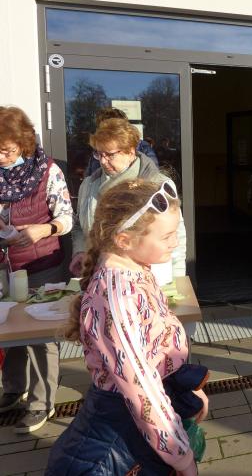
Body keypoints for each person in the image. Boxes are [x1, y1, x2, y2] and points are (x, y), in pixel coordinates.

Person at [47, 180, 206, 475]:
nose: (175, 242)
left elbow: (155, 350)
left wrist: (185, 389)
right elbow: (139, 386)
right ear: (124, 240)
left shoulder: (135, 271)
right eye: (167, 236)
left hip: (141, 423)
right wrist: (182, 456)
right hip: (120, 439)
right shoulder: (117, 296)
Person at [0, 106, 73, 434]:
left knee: (41, 335)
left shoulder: (47, 171)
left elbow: (67, 218)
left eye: (7, 150)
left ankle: (42, 402)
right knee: (9, 329)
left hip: (41, 264)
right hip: (5, 265)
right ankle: (14, 388)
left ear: (23, 142)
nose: (1, 157)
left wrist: (43, 230)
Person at [69, 117, 186, 281]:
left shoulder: (158, 184)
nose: (103, 161)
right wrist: (80, 251)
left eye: (109, 155)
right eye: (99, 154)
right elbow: (79, 226)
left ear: (130, 152)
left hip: (150, 279)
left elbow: (175, 235)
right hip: (101, 278)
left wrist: (178, 278)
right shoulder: (89, 185)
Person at [84, 107, 159, 178]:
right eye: (101, 128)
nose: (103, 161)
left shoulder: (143, 147)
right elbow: (89, 176)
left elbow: (152, 175)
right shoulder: (97, 153)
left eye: (111, 128)